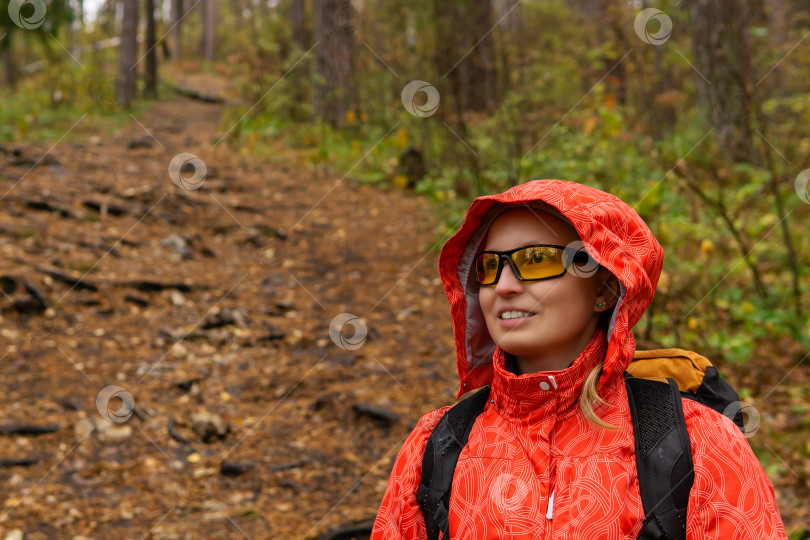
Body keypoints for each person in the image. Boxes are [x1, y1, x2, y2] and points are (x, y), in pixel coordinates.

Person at [371, 179, 787, 539]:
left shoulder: (699, 443)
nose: (505, 286)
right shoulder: (438, 443)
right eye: (490, 266)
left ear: (604, 288)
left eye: (537, 260)